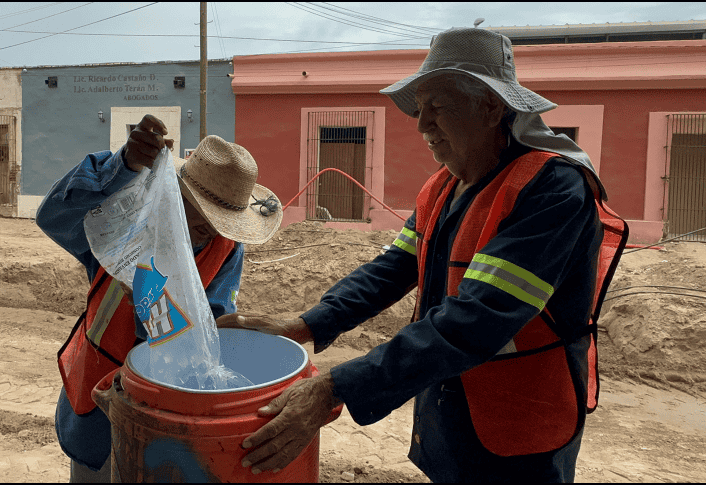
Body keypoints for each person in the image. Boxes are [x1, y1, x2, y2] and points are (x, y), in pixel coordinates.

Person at [218, 27, 627, 482]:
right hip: (452, 413)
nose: (421, 124)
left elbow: (479, 318)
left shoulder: (552, 189)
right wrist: (306, 324)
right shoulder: (445, 185)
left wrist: (335, 387)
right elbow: (393, 268)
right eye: (420, 107)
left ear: (492, 107)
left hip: (520, 426)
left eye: (439, 106)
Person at [36, 115, 283, 482]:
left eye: (221, 224)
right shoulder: (122, 227)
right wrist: (120, 167)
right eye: (201, 219)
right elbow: (54, 217)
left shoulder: (226, 248)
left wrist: (232, 334)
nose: (211, 232)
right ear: (175, 194)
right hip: (100, 392)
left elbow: (211, 325)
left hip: (172, 409)